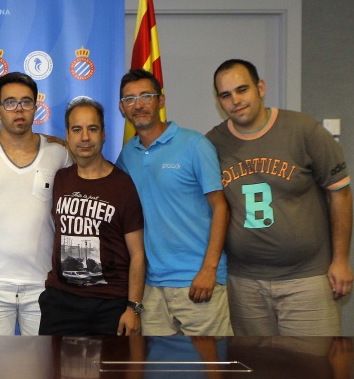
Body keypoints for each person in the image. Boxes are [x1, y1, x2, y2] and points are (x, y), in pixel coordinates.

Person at [206, 59, 352, 336]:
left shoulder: (304, 131)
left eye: (242, 90)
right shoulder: (213, 144)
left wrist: (341, 259)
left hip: (307, 279)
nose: (235, 101)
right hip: (244, 284)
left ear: (260, 88)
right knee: (255, 369)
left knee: (313, 367)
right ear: (218, 101)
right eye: (226, 95)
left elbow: (340, 193)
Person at [115, 69, 232, 336]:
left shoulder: (194, 145)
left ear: (161, 101)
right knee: (159, 369)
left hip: (197, 282)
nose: (139, 104)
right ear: (122, 108)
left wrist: (209, 269)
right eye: (130, 99)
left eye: (146, 96)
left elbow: (221, 207)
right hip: (152, 288)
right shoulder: (128, 154)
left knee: (211, 367)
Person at [0, 72, 72, 335]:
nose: (19, 109)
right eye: (10, 102)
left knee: (41, 368)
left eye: (26, 102)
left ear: (36, 108)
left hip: (43, 281)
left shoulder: (58, 154)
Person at [38, 97, 145, 336]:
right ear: (68, 134)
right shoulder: (60, 179)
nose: (85, 137)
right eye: (77, 130)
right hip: (61, 304)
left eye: (92, 129)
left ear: (104, 133)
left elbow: (138, 253)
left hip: (109, 306)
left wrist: (133, 308)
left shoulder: (123, 185)